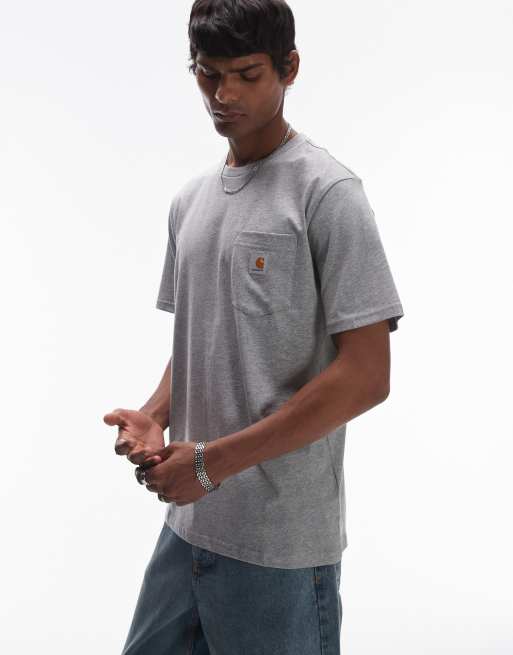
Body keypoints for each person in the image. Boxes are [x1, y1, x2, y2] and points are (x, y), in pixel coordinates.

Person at [103, 1, 405, 653]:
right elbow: (208, 335)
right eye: (208, 74)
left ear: (288, 68)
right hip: (186, 529)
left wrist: (211, 463)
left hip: (279, 547)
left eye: (246, 74)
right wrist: (155, 414)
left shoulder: (327, 194)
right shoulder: (190, 200)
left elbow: (367, 375)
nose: (224, 95)